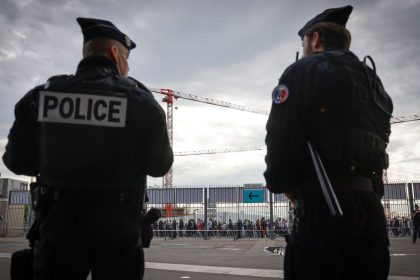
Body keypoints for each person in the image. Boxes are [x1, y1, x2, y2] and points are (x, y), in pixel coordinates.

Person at [3, 17, 173, 280]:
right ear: (115, 54)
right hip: (119, 232)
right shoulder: (139, 101)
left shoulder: (42, 97)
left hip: (57, 228)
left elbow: (16, 162)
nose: (127, 66)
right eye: (127, 58)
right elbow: (160, 165)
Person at [264, 5, 392, 280]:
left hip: (324, 209)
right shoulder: (374, 82)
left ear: (316, 39)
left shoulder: (302, 71)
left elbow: (280, 138)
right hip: (370, 210)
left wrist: (283, 185)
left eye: (304, 42)